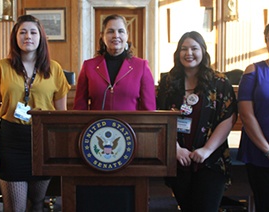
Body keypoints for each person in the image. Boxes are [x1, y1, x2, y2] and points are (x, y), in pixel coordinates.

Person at [0, 15, 70, 211]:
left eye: (33, 32)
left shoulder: (54, 69)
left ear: (41, 37)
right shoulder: (2, 67)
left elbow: (61, 115)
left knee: (38, 203)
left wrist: (60, 148)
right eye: (22, 32)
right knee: (15, 207)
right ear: (15, 37)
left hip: (44, 142)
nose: (27, 36)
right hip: (11, 141)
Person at [156, 31, 237, 212]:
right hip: (178, 158)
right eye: (183, 49)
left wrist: (206, 150)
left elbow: (228, 116)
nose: (189, 53)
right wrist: (175, 149)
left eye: (194, 48)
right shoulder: (168, 82)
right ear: (178, 53)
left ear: (203, 51)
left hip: (211, 160)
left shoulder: (219, 82)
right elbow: (159, 117)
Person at [73, 14, 155, 110]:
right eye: (110, 31)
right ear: (103, 36)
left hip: (131, 125)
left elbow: (149, 110)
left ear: (127, 35)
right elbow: (79, 109)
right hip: (98, 124)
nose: (116, 35)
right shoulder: (89, 66)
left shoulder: (141, 66)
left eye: (121, 31)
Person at [237, 24, 269, 212]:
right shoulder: (254, 71)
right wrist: (267, 150)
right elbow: (246, 115)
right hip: (260, 153)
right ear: (266, 40)